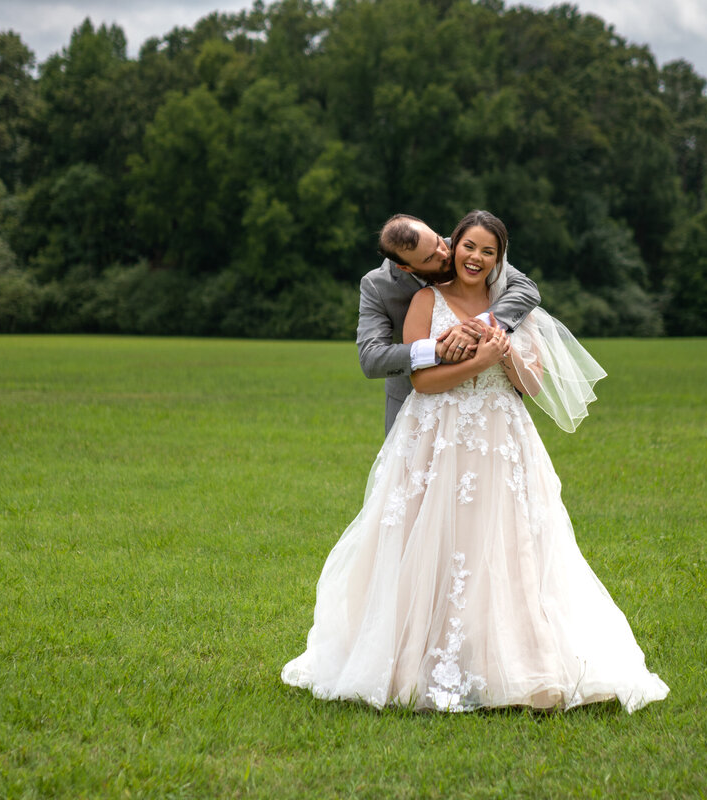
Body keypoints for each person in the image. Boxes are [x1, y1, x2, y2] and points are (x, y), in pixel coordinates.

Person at [282, 210, 669, 713]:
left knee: (504, 546)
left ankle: (511, 660)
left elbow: (531, 383)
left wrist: (500, 349)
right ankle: (415, 658)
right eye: (460, 249)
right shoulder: (415, 295)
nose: (462, 256)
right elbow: (401, 372)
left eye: (484, 251)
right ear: (406, 265)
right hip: (435, 436)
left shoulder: (510, 296)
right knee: (431, 542)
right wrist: (465, 355)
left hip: (500, 441)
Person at [356, 214, 541, 434]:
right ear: (405, 267)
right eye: (428, 258)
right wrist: (437, 348)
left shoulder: (466, 248)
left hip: (492, 409)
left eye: (437, 241)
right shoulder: (378, 286)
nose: (445, 253)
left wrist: (476, 329)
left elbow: (526, 289)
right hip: (416, 406)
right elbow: (371, 359)